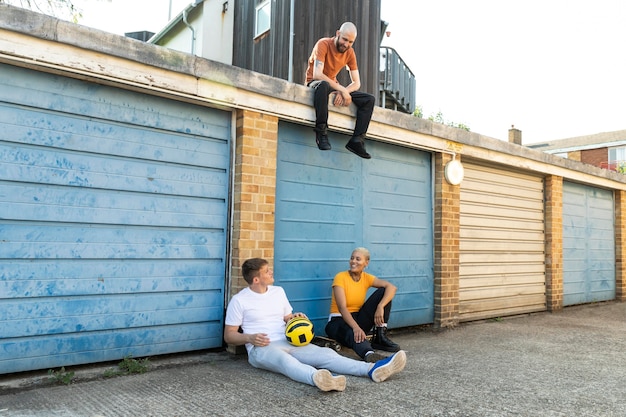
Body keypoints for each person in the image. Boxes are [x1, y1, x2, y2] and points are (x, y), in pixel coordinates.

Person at [224, 257, 406, 392]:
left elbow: (286, 316)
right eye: (266, 271)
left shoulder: (277, 292)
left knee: (326, 354)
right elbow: (229, 335)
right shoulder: (239, 301)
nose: (271, 272)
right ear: (256, 279)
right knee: (285, 362)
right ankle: (318, 379)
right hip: (261, 348)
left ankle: (372, 369)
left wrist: (294, 317)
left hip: (287, 340)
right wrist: (249, 338)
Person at [305, 21, 375, 159]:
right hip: (315, 84)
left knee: (369, 99)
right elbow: (317, 74)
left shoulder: (350, 53)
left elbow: (357, 82)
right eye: (344, 39)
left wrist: (344, 92)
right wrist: (342, 89)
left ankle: (357, 140)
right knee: (323, 85)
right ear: (338, 34)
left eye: (350, 42)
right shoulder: (323, 44)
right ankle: (321, 132)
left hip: (333, 86)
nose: (346, 44)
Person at [325, 247, 401, 363]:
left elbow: (392, 287)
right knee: (352, 332)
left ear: (366, 262)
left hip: (357, 318)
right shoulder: (340, 277)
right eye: (352, 258)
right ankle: (369, 354)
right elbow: (342, 308)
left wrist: (380, 306)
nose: (353, 261)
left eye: (358, 259)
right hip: (338, 321)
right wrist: (356, 328)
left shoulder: (366, 278)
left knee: (384, 292)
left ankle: (380, 337)